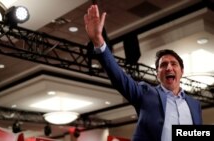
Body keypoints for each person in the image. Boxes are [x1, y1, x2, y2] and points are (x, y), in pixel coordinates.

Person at [84, 4, 202, 141]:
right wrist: (98, 41)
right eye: (163, 65)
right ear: (157, 74)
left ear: (182, 71)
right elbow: (119, 77)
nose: (169, 67)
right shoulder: (145, 93)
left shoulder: (194, 104)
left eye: (174, 64)